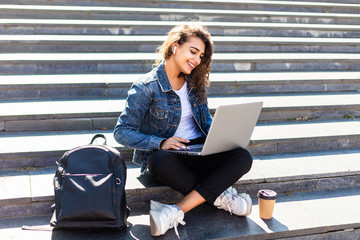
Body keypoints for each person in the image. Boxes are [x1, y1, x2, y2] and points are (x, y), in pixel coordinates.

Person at [114, 24, 253, 238]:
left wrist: (225, 135)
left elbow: (205, 121)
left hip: (199, 150)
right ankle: (220, 197)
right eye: (193, 52)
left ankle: (175, 210)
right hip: (170, 157)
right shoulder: (146, 87)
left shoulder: (194, 84)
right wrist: (160, 143)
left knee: (243, 157)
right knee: (157, 161)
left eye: (201, 56)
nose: (197, 60)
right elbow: (121, 132)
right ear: (175, 46)